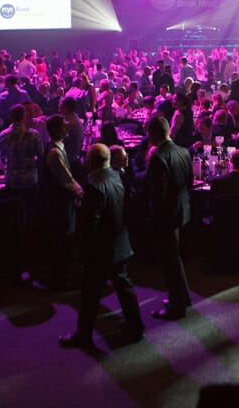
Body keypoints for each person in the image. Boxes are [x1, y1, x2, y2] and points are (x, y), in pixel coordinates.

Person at [59, 144, 145, 348]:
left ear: (90, 162)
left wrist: (84, 251)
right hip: (119, 242)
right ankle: (136, 328)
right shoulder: (116, 176)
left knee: (90, 295)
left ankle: (84, 335)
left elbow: (89, 224)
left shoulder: (95, 186)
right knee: (124, 288)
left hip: (101, 249)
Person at [145, 115, 193, 320]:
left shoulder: (158, 156)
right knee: (175, 258)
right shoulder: (183, 151)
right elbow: (190, 181)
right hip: (181, 210)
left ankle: (177, 306)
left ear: (153, 133)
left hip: (166, 215)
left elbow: (156, 191)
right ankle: (183, 297)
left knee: (170, 262)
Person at [44, 115, 83, 289]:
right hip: (59, 202)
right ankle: (59, 279)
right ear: (55, 130)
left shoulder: (58, 148)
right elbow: (66, 180)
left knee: (64, 238)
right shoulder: (54, 152)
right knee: (62, 239)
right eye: (64, 126)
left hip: (62, 200)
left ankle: (61, 276)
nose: (67, 128)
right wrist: (79, 193)